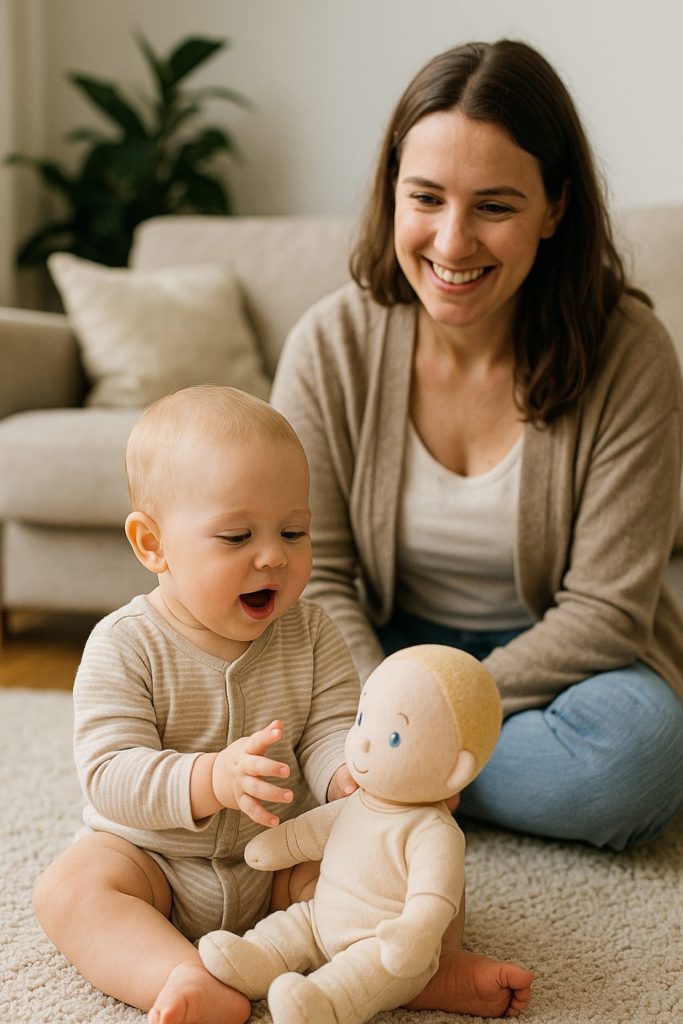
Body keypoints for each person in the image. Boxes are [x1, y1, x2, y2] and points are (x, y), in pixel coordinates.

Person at [271, 35, 683, 864]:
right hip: (375, 648)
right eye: (425, 198)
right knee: (238, 701)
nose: (452, 243)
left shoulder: (629, 351)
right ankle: (420, 777)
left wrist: (423, 720)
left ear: (554, 208)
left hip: (557, 664)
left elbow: (605, 613)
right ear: (392, 191)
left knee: (636, 760)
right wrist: (387, 700)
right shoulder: (330, 344)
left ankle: (379, 782)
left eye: (493, 206)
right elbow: (317, 576)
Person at [32, 385, 362, 1024]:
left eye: (294, 531)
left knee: (394, 858)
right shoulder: (125, 645)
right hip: (155, 864)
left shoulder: (314, 633)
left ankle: (408, 967)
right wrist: (209, 779)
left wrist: (343, 777)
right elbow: (109, 776)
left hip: (277, 866)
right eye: (237, 536)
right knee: (69, 889)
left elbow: (329, 729)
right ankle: (182, 976)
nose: (273, 555)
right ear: (152, 545)